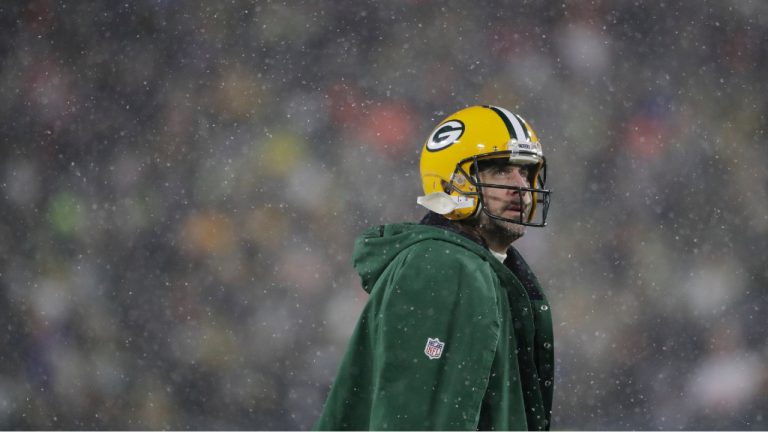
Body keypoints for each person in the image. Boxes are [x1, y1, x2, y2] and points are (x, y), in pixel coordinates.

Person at [315, 105, 554, 431]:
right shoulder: (445, 266)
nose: (521, 186)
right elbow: (418, 420)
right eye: (500, 171)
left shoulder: (470, 266)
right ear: (453, 181)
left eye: (525, 172)